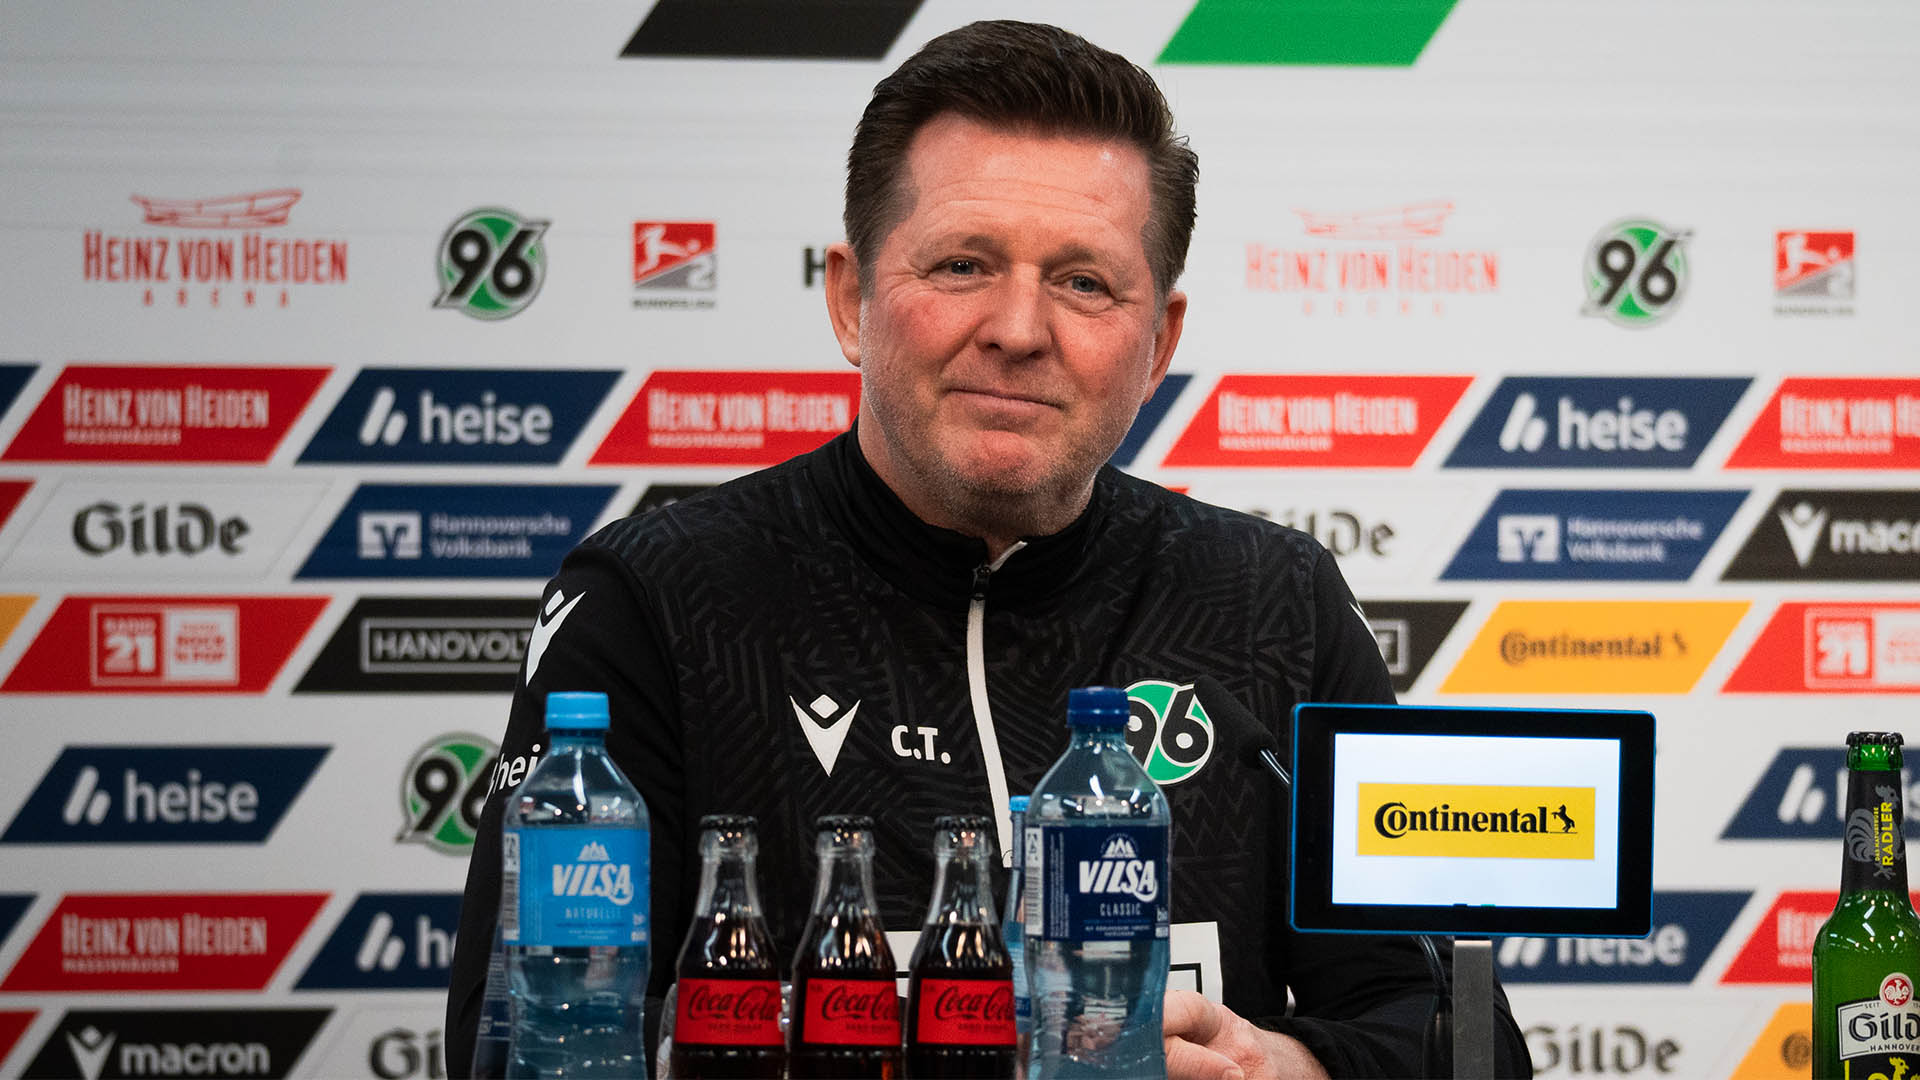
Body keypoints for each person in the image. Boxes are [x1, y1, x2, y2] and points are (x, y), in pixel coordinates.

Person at [448, 19, 1531, 1079]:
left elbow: (1465, 1039)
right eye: (963, 264)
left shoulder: (1272, 600)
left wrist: (1279, 1064)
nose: (1019, 328)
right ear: (850, 299)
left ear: (1158, 344)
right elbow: (516, 1044)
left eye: (1085, 281)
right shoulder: (659, 597)